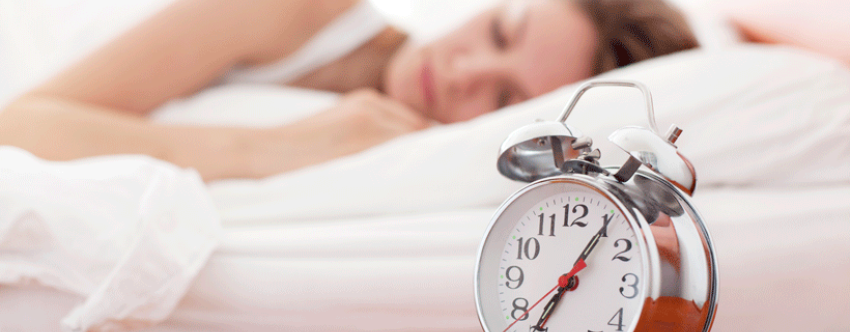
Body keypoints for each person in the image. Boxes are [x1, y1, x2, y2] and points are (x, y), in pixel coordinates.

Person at [0, 0, 697, 181]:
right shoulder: (305, 12)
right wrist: (267, 151)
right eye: (498, 30)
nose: (462, 70)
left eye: (502, 100)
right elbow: (16, 124)